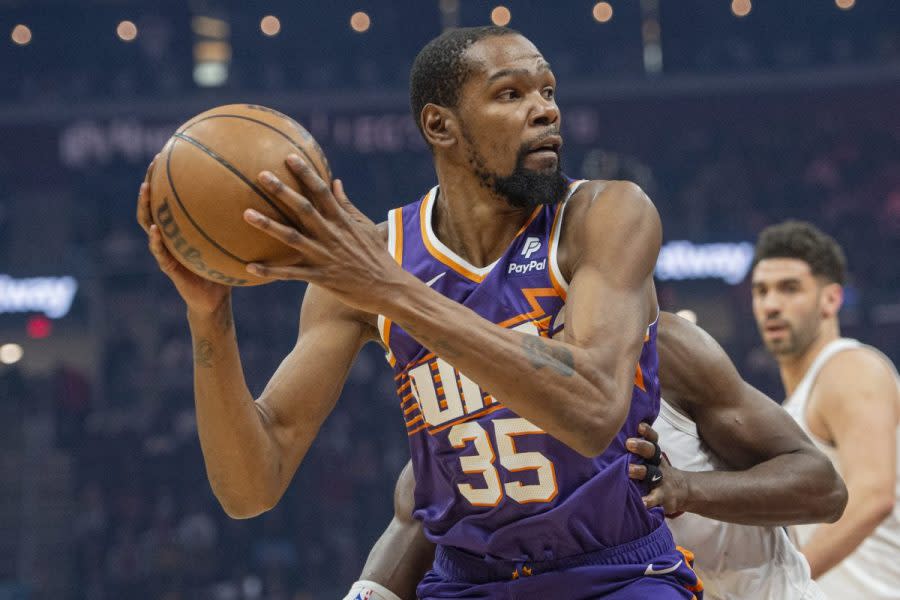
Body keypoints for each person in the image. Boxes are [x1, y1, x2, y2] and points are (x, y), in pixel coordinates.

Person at [140, 25, 698, 598]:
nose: (544, 111)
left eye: (548, 91)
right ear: (440, 125)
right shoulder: (373, 263)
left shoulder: (605, 216)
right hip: (466, 581)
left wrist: (392, 291)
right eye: (512, 94)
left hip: (618, 573)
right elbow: (251, 487)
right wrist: (210, 316)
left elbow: (594, 408)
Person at [346, 312, 846, 600]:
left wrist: (687, 490)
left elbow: (823, 487)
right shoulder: (482, 389)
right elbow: (415, 515)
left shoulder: (665, 348)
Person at [751, 221, 900, 599]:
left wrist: (783, 583)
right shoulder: (794, 402)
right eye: (761, 290)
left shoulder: (849, 369)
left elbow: (874, 495)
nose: (771, 304)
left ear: (831, 299)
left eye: (790, 288)